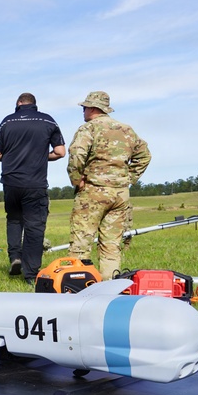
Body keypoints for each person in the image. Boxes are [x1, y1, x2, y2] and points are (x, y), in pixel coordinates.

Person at [65, 91, 151, 280]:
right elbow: (144, 155)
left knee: (81, 242)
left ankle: (77, 286)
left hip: (93, 192)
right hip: (120, 195)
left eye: (85, 107)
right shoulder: (126, 129)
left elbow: (77, 155)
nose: (83, 111)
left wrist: (76, 179)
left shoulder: (88, 129)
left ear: (93, 108)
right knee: (111, 245)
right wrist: (128, 178)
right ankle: (110, 287)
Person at [0, 93, 65, 284]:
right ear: (34, 104)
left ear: (19, 103)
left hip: (11, 182)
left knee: (14, 220)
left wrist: (12, 157)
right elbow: (60, 152)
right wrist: (40, 156)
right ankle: (30, 273)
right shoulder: (48, 120)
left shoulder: (7, 121)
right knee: (35, 227)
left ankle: (15, 256)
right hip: (35, 183)